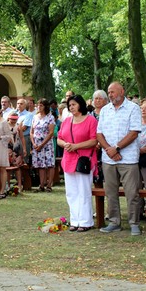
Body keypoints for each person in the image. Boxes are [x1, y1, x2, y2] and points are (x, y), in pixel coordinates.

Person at [96, 82, 142, 236]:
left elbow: (134, 132)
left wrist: (116, 148)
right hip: (108, 159)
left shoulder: (133, 108)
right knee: (111, 192)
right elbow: (99, 133)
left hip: (128, 159)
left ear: (122, 91)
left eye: (113, 92)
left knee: (132, 193)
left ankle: (134, 223)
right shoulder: (104, 110)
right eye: (109, 92)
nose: (110, 95)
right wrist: (110, 150)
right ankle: (114, 222)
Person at [57, 95, 98, 232]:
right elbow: (59, 138)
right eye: (69, 105)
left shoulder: (91, 120)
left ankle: (86, 221)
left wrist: (76, 146)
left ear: (80, 104)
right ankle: (75, 220)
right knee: (71, 192)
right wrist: (66, 145)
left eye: (73, 104)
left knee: (84, 191)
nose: (71, 107)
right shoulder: (66, 121)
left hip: (84, 160)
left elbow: (94, 141)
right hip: (68, 160)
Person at [30, 98, 55, 192]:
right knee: (40, 165)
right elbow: (32, 132)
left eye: (41, 105)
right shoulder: (35, 117)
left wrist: (42, 144)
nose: (38, 107)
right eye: (38, 105)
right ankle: (41, 185)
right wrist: (34, 143)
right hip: (36, 143)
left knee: (49, 164)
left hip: (46, 143)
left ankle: (49, 185)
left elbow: (51, 132)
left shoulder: (50, 117)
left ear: (45, 107)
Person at [15, 98, 33, 165]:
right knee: (15, 158)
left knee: (23, 159)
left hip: (25, 137)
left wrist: (14, 128)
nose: (19, 105)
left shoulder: (29, 114)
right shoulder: (14, 113)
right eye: (18, 103)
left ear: (25, 105)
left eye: (21, 104)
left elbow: (24, 128)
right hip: (15, 137)